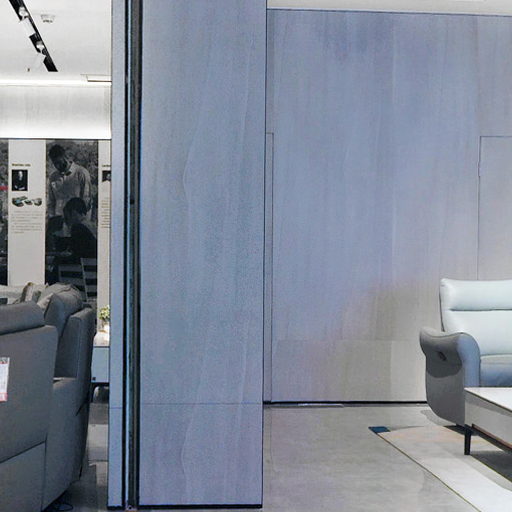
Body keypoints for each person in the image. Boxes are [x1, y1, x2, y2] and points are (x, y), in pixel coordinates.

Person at [47, 144, 92, 218]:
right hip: (59, 220)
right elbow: (51, 202)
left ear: (65, 157)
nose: (57, 166)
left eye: (59, 162)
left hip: (76, 220)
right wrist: (52, 218)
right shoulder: (53, 177)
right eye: (55, 163)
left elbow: (86, 200)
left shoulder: (81, 173)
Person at [58, 197, 97, 263]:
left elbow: (76, 254)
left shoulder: (78, 227)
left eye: (66, 216)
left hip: (86, 265)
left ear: (74, 213)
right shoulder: (92, 226)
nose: (65, 220)